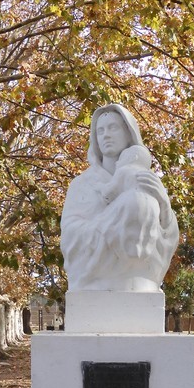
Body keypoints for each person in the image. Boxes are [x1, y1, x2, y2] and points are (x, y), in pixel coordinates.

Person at [60, 104, 179, 292]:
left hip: (140, 284)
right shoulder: (81, 185)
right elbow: (69, 235)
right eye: (100, 131)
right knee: (132, 202)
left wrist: (163, 204)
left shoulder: (147, 179)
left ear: (128, 133)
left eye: (113, 128)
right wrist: (112, 224)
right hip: (94, 283)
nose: (106, 135)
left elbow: (167, 235)